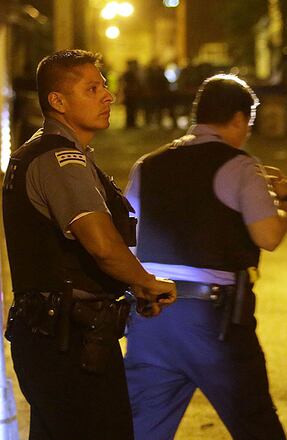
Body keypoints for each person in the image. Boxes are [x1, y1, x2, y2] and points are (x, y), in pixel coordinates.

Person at [2, 49, 177, 439]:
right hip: (69, 344)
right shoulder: (60, 160)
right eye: (92, 88)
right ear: (58, 101)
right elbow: (100, 243)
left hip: (54, 336)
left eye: (105, 86)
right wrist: (145, 282)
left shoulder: (46, 153)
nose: (108, 96)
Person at [123, 74, 287, 439]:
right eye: (246, 125)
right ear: (238, 119)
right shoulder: (241, 165)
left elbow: (127, 240)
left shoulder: (147, 165)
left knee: (141, 429)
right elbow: (268, 236)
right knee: (255, 423)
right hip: (211, 320)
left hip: (151, 314)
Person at [120, 59, 142, 129]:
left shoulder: (133, 72)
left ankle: (132, 123)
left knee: (133, 109)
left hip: (132, 94)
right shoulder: (129, 73)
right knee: (130, 110)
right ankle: (130, 123)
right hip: (130, 94)